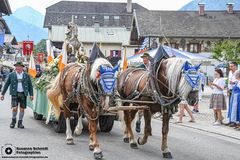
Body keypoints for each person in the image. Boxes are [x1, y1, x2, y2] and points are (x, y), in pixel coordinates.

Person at [0, 62, 34, 129]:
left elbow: (30, 85)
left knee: (22, 109)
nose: (17, 68)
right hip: (14, 93)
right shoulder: (11, 75)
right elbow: (6, 85)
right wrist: (2, 94)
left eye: (19, 66)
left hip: (23, 94)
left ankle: (20, 122)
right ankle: (13, 121)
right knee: (14, 108)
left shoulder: (26, 75)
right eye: (16, 66)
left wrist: (31, 94)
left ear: (22, 67)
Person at [135, 52, 151, 133]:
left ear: (148, 58)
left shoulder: (151, 66)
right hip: (142, 88)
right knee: (141, 109)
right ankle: (138, 121)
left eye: (145, 58)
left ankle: (148, 127)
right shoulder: (140, 67)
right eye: (143, 58)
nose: (144, 59)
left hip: (151, 88)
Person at [226, 61, 239, 127]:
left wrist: (234, 82)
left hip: (236, 91)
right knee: (230, 106)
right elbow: (228, 81)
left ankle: (235, 121)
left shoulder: (238, 72)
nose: (230, 67)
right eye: (230, 66)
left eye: (232, 66)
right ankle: (230, 120)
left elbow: (238, 80)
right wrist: (227, 89)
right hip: (231, 90)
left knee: (235, 106)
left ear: (235, 66)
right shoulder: (230, 72)